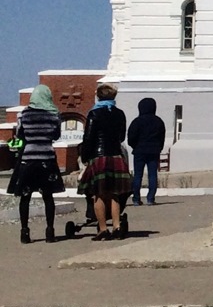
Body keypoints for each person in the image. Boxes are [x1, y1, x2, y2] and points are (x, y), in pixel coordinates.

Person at [6, 83, 65, 243]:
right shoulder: (54, 116)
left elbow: (20, 136)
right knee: (48, 197)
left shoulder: (24, 115)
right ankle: (50, 231)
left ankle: (25, 232)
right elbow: (56, 136)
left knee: (25, 197)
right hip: (47, 159)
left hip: (28, 160)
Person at [78, 83, 129, 239]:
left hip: (99, 157)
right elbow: (121, 137)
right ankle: (117, 226)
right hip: (116, 156)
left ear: (98, 96)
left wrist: (85, 157)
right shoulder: (120, 113)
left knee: (99, 195)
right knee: (114, 194)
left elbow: (88, 138)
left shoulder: (94, 114)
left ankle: (102, 229)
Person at [127, 98, 166, 206]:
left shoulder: (137, 121)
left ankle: (136, 198)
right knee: (152, 175)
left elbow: (131, 137)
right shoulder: (158, 121)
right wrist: (159, 148)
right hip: (154, 151)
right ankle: (150, 198)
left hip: (139, 151)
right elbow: (162, 137)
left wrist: (135, 146)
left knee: (138, 175)